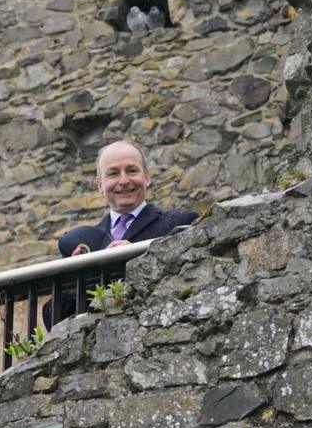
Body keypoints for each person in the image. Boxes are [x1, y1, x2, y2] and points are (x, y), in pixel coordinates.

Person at [45, 140, 198, 327]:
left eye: (132, 171)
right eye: (113, 173)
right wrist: (75, 283)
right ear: (99, 184)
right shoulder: (85, 242)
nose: (124, 181)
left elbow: (193, 285)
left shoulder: (180, 222)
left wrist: (141, 257)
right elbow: (52, 321)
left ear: (147, 177)